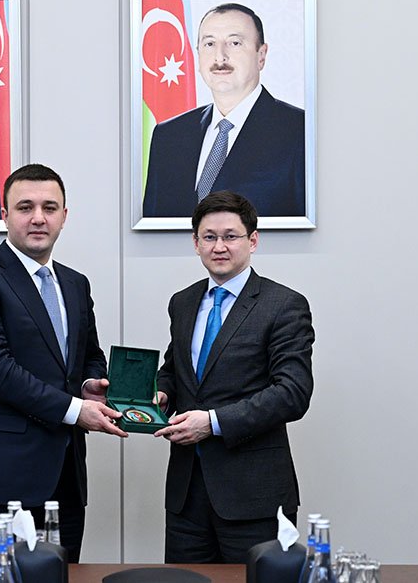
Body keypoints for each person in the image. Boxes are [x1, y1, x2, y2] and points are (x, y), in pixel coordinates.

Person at [0, 163, 127, 562]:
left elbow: (89, 355)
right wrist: (75, 410)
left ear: (64, 216)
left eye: (50, 207)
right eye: (25, 207)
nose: (38, 218)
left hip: (65, 477)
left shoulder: (75, 283)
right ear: (4, 215)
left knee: (61, 575)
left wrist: (91, 386)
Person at [153, 190, 314, 564]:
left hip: (254, 496)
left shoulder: (284, 305)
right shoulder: (183, 302)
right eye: (209, 237)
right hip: (186, 495)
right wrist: (159, 394)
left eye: (230, 236)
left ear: (252, 241)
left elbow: (292, 392)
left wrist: (212, 422)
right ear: (196, 243)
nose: (219, 247)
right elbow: (175, 372)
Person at [143, 4, 305, 218]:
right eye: (209, 44)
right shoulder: (168, 136)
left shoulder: (300, 131)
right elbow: (153, 226)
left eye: (234, 43)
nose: (219, 57)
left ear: (261, 55)